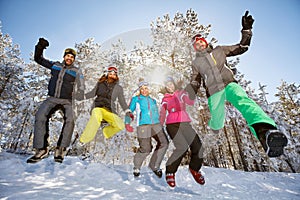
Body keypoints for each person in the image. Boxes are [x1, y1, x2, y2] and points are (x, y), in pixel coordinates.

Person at [189, 11, 287, 157]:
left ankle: (266, 132)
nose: (199, 44)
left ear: (205, 42)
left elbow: (242, 47)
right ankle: (210, 138)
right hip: (213, 91)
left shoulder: (219, 50)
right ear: (195, 48)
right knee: (217, 120)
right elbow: (195, 81)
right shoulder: (196, 63)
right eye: (196, 44)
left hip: (229, 84)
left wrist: (246, 31)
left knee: (244, 101)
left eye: (201, 41)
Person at [27, 38, 85, 163]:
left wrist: (78, 93)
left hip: (67, 101)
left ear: (74, 59)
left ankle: (61, 149)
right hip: (52, 98)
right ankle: (41, 149)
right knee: (40, 116)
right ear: (64, 57)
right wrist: (40, 47)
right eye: (67, 56)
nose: (69, 58)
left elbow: (81, 86)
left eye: (72, 57)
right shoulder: (56, 66)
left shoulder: (77, 71)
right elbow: (39, 59)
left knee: (71, 119)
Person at [160, 77, 205, 188]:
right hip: (172, 125)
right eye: (167, 85)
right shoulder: (165, 99)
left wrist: (192, 90)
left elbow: (190, 102)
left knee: (198, 146)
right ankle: (170, 171)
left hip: (185, 123)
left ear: (174, 84)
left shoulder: (181, 93)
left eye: (171, 84)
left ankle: (194, 169)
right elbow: (162, 113)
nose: (169, 87)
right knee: (182, 147)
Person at [125, 79, 169, 178]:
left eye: (146, 88)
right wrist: (127, 122)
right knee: (146, 149)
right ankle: (137, 167)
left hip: (156, 125)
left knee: (164, 143)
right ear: (139, 90)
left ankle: (154, 165)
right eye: (142, 89)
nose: (144, 90)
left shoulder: (152, 100)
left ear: (149, 89)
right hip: (143, 125)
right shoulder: (136, 99)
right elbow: (129, 111)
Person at [79, 65, 133, 143]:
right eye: (110, 74)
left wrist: (127, 111)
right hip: (98, 108)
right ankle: (83, 140)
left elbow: (122, 101)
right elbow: (92, 93)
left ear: (116, 76)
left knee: (120, 125)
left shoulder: (118, 88)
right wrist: (82, 96)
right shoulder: (100, 84)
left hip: (110, 110)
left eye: (114, 74)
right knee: (96, 115)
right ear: (107, 74)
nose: (112, 76)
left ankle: (104, 133)